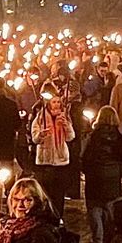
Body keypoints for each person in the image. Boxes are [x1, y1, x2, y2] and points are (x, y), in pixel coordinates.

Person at [81, 105, 122, 243]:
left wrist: (86, 170)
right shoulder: (119, 137)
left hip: (95, 174)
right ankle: (108, 240)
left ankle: (98, 241)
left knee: (94, 207)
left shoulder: (93, 136)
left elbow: (85, 155)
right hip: (112, 176)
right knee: (108, 207)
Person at [30, 89, 76, 220]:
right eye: (53, 102)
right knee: (46, 193)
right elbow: (35, 138)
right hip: (45, 161)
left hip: (61, 161)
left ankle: (58, 217)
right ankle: (47, 217)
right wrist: (41, 135)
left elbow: (71, 137)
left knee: (58, 194)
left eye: (58, 102)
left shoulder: (64, 116)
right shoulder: (40, 118)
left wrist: (66, 126)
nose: (56, 104)